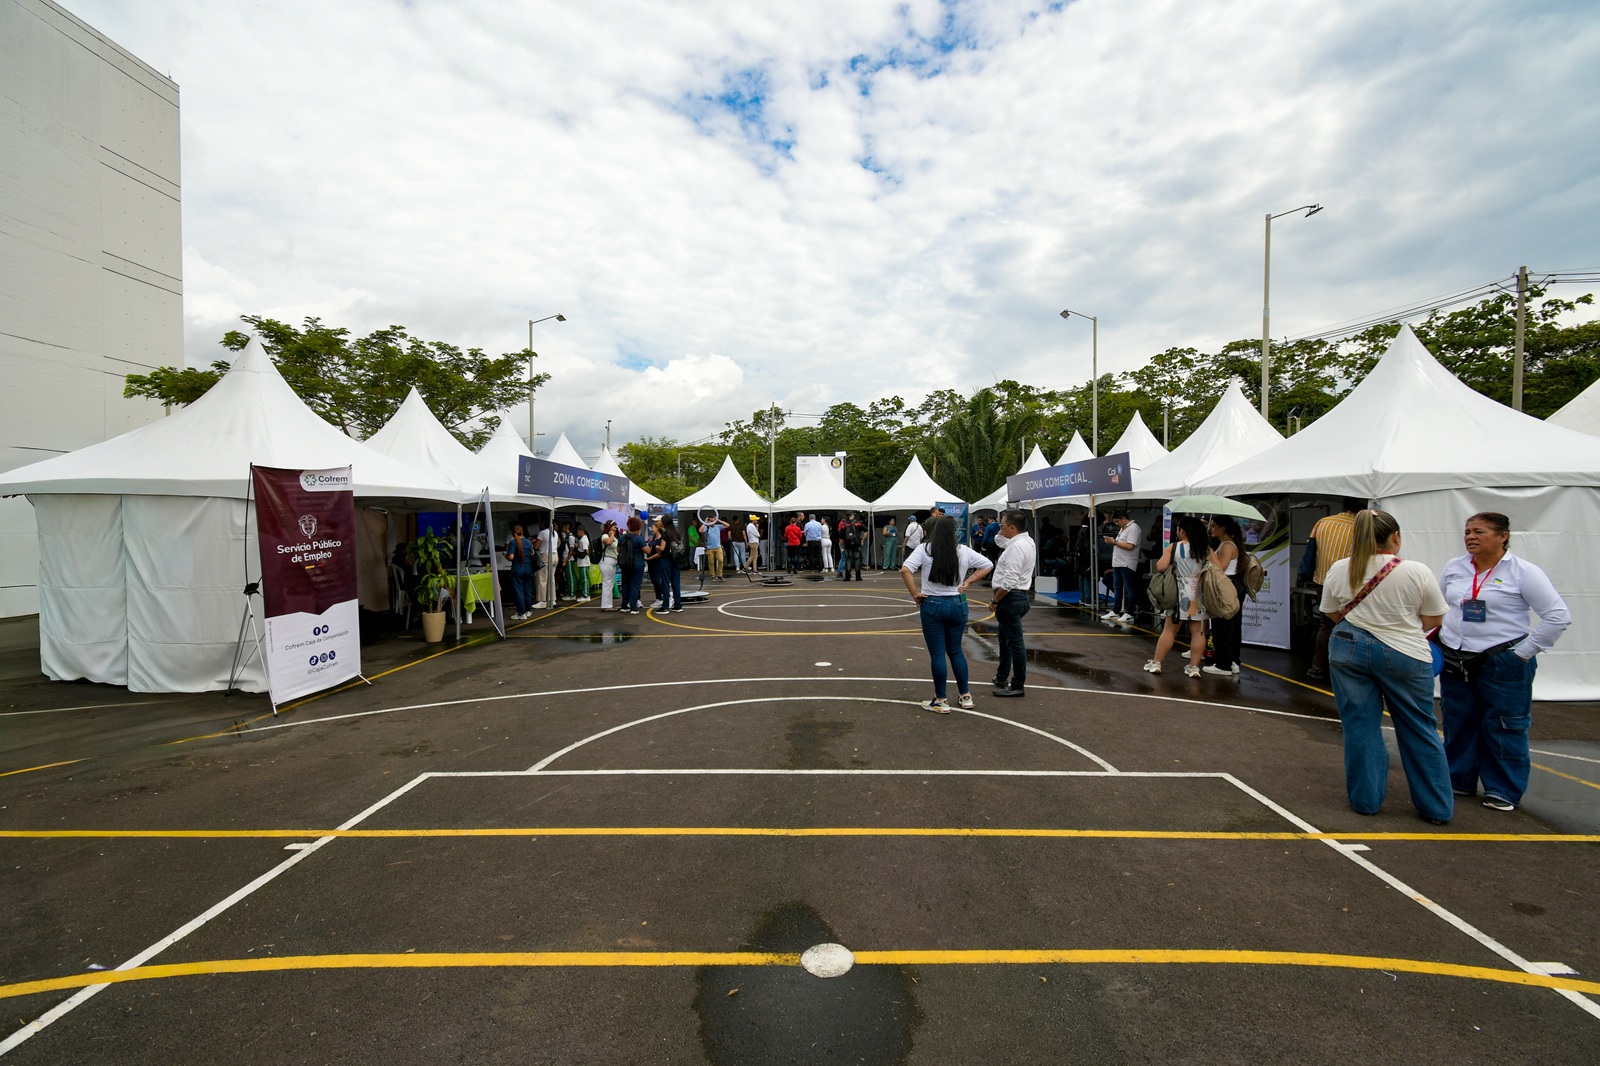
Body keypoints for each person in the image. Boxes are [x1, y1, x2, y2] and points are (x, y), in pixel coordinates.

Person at [1320, 509, 1453, 824]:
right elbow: (1434, 619)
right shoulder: (1416, 571)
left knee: (1360, 726)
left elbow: (1332, 613)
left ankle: (1366, 800)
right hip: (1404, 652)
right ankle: (1436, 808)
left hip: (1348, 648)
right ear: (1395, 537)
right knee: (1419, 728)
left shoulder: (1340, 568)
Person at [1438, 511, 1571, 812]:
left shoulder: (1523, 572)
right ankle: (1459, 778)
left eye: (1479, 531)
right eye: (1468, 531)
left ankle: (1503, 790)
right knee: (1459, 720)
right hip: (1457, 659)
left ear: (1503, 536)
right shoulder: (1455, 568)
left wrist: (1521, 654)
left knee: (1504, 725)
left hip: (1501, 660)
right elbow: (1442, 605)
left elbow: (1558, 616)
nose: (1470, 537)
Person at [901, 514, 993, 713]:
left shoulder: (925, 549)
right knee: (956, 650)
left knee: (937, 653)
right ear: (954, 532)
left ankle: (941, 699)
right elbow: (987, 565)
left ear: (934, 531)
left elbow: (905, 570)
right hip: (958, 604)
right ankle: (965, 695)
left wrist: (915, 593)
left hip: (933, 604)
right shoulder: (963, 550)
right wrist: (968, 582)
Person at [1300, 499, 1362, 681]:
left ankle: (1318, 667)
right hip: (1352, 583)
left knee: (1325, 625)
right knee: (1352, 625)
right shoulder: (1361, 526)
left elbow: (1310, 552)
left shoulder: (1322, 522)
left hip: (1323, 581)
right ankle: (1343, 668)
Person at [1143, 517, 1211, 677]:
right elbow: (1219, 567)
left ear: (1183, 531)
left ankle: (1156, 663)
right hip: (1198, 594)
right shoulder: (1205, 549)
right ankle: (1194, 667)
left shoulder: (1175, 547)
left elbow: (1160, 566)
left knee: (1169, 630)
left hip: (1179, 594)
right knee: (1198, 632)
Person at [988, 509, 1036, 697]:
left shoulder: (1017, 547)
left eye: (1003, 525)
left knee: (1015, 643)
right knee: (1006, 639)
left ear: (1012, 527)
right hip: (1017, 596)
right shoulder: (1024, 541)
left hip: (1010, 597)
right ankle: (1002, 675)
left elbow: (1009, 581)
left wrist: (995, 600)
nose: (1001, 528)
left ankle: (1017, 685)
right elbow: (999, 540)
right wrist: (1002, 529)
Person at [1204, 514, 1245, 678]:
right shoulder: (1229, 544)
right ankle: (1233, 661)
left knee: (1222, 626)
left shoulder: (1227, 546)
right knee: (1233, 625)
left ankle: (1224, 664)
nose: (1211, 529)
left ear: (1223, 528)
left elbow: (1221, 567)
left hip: (1226, 585)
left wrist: (1210, 551)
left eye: (1214, 526)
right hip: (1232, 585)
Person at [1101, 511, 1141, 623]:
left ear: (1124, 519)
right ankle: (1116, 611)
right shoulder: (1123, 528)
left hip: (1127, 563)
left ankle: (1130, 613)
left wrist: (1114, 542)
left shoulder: (1133, 528)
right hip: (1118, 562)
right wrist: (1113, 542)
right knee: (1117, 587)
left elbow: (1130, 546)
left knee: (1129, 588)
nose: (1116, 524)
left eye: (1117, 521)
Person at [504, 523, 536, 620]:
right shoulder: (528, 542)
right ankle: (528, 610)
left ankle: (521, 613)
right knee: (527, 590)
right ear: (522, 532)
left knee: (519, 591)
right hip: (528, 568)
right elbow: (532, 553)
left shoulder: (513, 543)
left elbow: (511, 557)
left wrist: (505, 556)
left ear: (514, 533)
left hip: (518, 568)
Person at [619, 516, 647, 614]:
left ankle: (624, 606)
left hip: (625, 563)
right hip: (637, 563)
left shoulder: (622, 538)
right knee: (635, 585)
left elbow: (618, 550)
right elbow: (647, 550)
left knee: (626, 584)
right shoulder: (639, 539)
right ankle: (633, 607)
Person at [660, 514, 685, 611]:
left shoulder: (665, 533)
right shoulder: (676, 533)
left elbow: (662, 548)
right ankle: (678, 605)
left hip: (666, 559)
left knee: (665, 582)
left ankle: (665, 606)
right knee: (676, 582)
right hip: (675, 559)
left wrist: (656, 547)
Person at [644, 517, 668, 610]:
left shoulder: (661, 539)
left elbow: (660, 553)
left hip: (657, 563)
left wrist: (649, 558)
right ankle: (659, 598)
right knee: (654, 581)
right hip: (651, 563)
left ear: (657, 528)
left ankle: (665, 597)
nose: (651, 529)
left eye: (653, 527)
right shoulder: (654, 538)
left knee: (658, 581)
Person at [597, 520, 620, 611]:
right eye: (614, 527)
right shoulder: (605, 536)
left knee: (609, 584)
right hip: (606, 561)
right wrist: (612, 534)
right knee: (607, 583)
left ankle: (608, 605)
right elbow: (608, 542)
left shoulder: (615, 538)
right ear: (609, 527)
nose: (615, 528)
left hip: (613, 562)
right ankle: (606, 605)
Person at [700, 512, 730, 580]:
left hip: (718, 547)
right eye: (711, 521)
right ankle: (712, 575)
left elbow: (727, 525)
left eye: (713, 521)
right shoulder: (707, 527)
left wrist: (718, 520)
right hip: (710, 548)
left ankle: (720, 574)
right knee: (711, 562)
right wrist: (705, 522)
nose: (712, 523)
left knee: (721, 560)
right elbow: (700, 530)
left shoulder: (718, 526)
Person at [532, 519, 554, 609]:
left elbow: (536, 546)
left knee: (542, 578)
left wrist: (533, 542)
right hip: (554, 555)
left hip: (545, 555)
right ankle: (552, 599)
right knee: (551, 578)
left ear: (543, 523)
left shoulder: (542, 533)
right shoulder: (554, 532)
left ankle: (542, 600)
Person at [839, 512, 865, 581]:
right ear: (852, 516)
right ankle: (858, 576)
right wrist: (862, 540)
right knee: (857, 559)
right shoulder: (857, 523)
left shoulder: (844, 525)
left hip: (847, 544)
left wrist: (842, 546)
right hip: (857, 543)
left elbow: (841, 537)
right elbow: (866, 530)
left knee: (848, 559)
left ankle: (847, 576)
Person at [572, 522, 591, 603]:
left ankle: (586, 595)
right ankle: (585, 594)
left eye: (578, 532)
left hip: (584, 562)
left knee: (584, 579)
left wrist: (578, 550)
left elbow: (586, 551)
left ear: (582, 531)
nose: (577, 533)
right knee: (584, 579)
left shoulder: (583, 540)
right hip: (582, 562)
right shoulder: (583, 539)